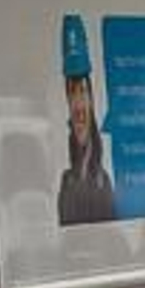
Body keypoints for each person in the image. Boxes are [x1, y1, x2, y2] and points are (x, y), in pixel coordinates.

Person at [57, 14, 117, 226]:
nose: (78, 105)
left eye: (83, 91)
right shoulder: (68, 181)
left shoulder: (104, 179)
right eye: (72, 93)